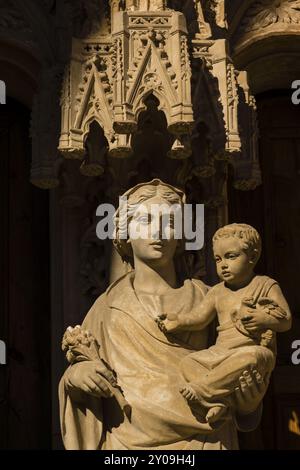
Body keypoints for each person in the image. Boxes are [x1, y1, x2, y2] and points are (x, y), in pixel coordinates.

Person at [59, 181, 270, 450]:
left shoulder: (211, 300)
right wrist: (77, 377)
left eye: (170, 221)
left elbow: (243, 397)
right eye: (145, 220)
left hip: (204, 440)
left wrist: (249, 402)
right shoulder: (106, 308)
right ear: (125, 232)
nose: (158, 231)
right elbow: (82, 378)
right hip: (126, 443)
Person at [158, 224, 292, 425]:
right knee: (188, 363)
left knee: (254, 357)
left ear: (253, 256)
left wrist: (264, 319)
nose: (223, 265)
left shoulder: (265, 285)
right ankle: (218, 401)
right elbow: (199, 318)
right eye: (218, 259)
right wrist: (178, 321)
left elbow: (286, 321)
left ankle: (203, 390)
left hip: (251, 351)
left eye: (231, 256)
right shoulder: (217, 292)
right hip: (220, 353)